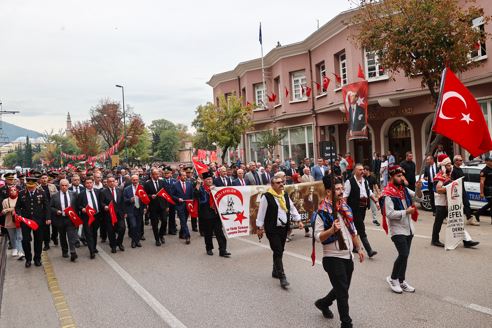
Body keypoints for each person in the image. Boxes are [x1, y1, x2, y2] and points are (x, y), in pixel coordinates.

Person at [313, 176, 364, 328]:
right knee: (343, 293)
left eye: (342, 188)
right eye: (338, 189)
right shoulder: (322, 211)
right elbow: (318, 237)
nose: (341, 192)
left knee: (342, 288)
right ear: (328, 192)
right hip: (332, 257)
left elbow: (353, 231)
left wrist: (359, 248)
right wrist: (332, 230)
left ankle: (323, 303)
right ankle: (346, 323)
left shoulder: (345, 208)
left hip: (348, 256)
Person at [256, 175, 304, 289]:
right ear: (272, 185)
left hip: (283, 228)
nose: (281, 184)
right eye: (278, 183)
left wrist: (299, 221)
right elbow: (261, 213)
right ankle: (282, 277)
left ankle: (274, 270)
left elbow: (292, 208)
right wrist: (259, 227)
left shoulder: (285, 195)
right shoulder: (266, 197)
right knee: (277, 250)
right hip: (272, 229)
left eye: (282, 182)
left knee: (280, 250)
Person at [380, 165, 422, 294]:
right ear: (392, 177)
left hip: (409, 228)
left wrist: (419, 189)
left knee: (405, 256)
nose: (401, 178)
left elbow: (418, 198)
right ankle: (393, 278)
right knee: (403, 254)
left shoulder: (404, 189)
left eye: (402, 175)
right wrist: (406, 211)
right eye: (398, 176)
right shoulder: (387, 193)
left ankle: (402, 280)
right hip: (397, 229)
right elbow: (389, 214)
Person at [431, 155, 479, 248]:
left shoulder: (449, 176)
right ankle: (434, 240)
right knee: (438, 222)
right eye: (448, 165)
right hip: (441, 204)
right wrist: (449, 187)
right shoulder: (439, 176)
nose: (450, 166)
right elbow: (438, 190)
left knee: (457, 221)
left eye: (450, 165)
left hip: (450, 203)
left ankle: (467, 240)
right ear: (443, 166)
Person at [343, 164, 380, 257]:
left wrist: (376, 201)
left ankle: (353, 246)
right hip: (354, 208)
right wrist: (345, 209)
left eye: (363, 169)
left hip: (363, 208)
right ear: (355, 171)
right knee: (361, 228)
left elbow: (369, 192)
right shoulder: (349, 182)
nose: (362, 171)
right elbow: (345, 196)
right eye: (360, 170)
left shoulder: (365, 181)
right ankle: (369, 250)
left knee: (356, 227)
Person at [15, 173, 51, 267]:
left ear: (36, 185)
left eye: (32, 187)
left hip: (39, 220)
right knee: (25, 240)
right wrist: (18, 215)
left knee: (38, 240)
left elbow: (47, 206)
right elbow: (17, 207)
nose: (30, 188)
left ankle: (37, 259)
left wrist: (48, 218)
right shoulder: (22, 193)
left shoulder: (41, 193)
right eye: (29, 187)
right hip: (26, 221)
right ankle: (28, 259)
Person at [194, 171, 230, 257]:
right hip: (206, 215)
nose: (210, 181)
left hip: (216, 214)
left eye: (210, 179)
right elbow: (196, 195)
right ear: (204, 181)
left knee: (220, 233)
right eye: (207, 179)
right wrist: (198, 185)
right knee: (208, 233)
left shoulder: (215, 188)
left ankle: (223, 250)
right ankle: (209, 248)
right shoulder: (202, 189)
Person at [50, 179, 79, 262]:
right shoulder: (55, 196)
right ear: (59, 186)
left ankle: (73, 251)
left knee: (71, 235)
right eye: (62, 185)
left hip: (70, 219)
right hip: (60, 219)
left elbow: (76, 207)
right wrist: (56, 211)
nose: (64, 187)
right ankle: (65, 251)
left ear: (68, 186)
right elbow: (51, 207)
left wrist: (77, 218)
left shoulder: (73, 194)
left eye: (66, 185)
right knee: (62, 236)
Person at [77, 175, 101, 259]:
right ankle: (91, 251)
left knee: (94, 233)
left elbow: (100, 203)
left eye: (91, 183)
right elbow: (78, 205)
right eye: (87, 183)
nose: (89, 184)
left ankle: (94, 247)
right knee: (88, 233)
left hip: (96, 216)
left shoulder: (98, 192)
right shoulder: (81, 194)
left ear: (93, 183)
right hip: (87, 217)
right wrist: (82, 208)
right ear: (85, 184)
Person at [100, 177, 126, 253]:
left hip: (119, 214)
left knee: (122, 228)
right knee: (111, 232)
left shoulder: (119, 190)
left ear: (115, 182)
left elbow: (122, 202)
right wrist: (105, 206)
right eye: (110, 181)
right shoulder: (103, 192)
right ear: (107, 183)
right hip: (109, 215)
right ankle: (113, 246)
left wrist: (125, 212)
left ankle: (119, 243)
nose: (112, 183)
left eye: (113, 181)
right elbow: (101, 202)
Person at [144, 168, 168, 246]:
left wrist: (167, 205)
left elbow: (166, 194)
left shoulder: (162, 182)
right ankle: (157, 239)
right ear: (151, 175)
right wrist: (151, 196)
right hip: (153, 207)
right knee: (155, 224)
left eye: (158, 174)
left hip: (162, 206)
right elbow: (145, 195)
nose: (157, 175)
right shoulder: (147, 184)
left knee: (164, 221)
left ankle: (161, 235)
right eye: (155, 174)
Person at [451, 155, 477, 225]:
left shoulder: (460, 169)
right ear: (456, 161)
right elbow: (452, 181)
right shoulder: (453, 170)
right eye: (460, 160)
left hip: (462, 189)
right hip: (457, 190)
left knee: (466, 203)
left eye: (461, 160)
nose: (461, 161)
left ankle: (469, 219)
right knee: (455, 205)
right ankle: (446, 217)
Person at [2, 186, 24, 259]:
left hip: (18, 220)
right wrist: (5, 211)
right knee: (12, 237)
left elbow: (22, 208)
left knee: (19, 236)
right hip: (9, 221)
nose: (13, 191)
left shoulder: (20, 199)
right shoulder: (5, 201)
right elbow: (3, 211)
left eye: (14, 190)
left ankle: (20, 251)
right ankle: (14, 248)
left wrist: (10, 209)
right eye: (11, 190)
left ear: (17, 191)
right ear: (9, 192)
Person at [38, 173, 58, 250]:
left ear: (47, 178)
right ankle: (47, 244)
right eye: (42, 178)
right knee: (46, 228)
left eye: (45, 178)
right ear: (40, 180)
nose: (44, 179)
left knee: (55, 226)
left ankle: (54, 237)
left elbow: (57, 196)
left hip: (53, 208)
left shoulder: (52, 186)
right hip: (44, 210)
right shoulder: (38, 188)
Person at [173, 170, 194, 244]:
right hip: (180, 205)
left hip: (188, 205)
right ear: (179, 176)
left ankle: (181, 233)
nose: (185, 177)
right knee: (183, 220)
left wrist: (192, 204)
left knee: (184, 220)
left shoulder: (189, 184)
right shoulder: (175, 185)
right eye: (183, 175)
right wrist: (178, 199)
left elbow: (192, 195)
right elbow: (172, 195)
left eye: (185, 175)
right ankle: (187, 236)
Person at [124, 175, 144, 248]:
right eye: (134, 180)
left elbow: (144, 198)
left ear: (138, 180)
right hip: (131, 210)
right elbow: (124, 200)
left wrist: (145, 207)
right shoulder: (127, 189)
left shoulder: (141, 188)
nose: (135, 181)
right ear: (131, 180)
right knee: (133, 225)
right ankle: (133, 241)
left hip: (139, 209)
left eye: (136, 180)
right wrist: (130, 200)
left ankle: (137, 241)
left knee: (138, 226)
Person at [475, 156, 492, 224]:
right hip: (487, 189)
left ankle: (478, 213)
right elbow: (482, 182)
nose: (491, 162)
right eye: (490, 161)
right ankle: (478, 212)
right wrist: (481, 192)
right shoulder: (484, 171)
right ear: (486, 162)